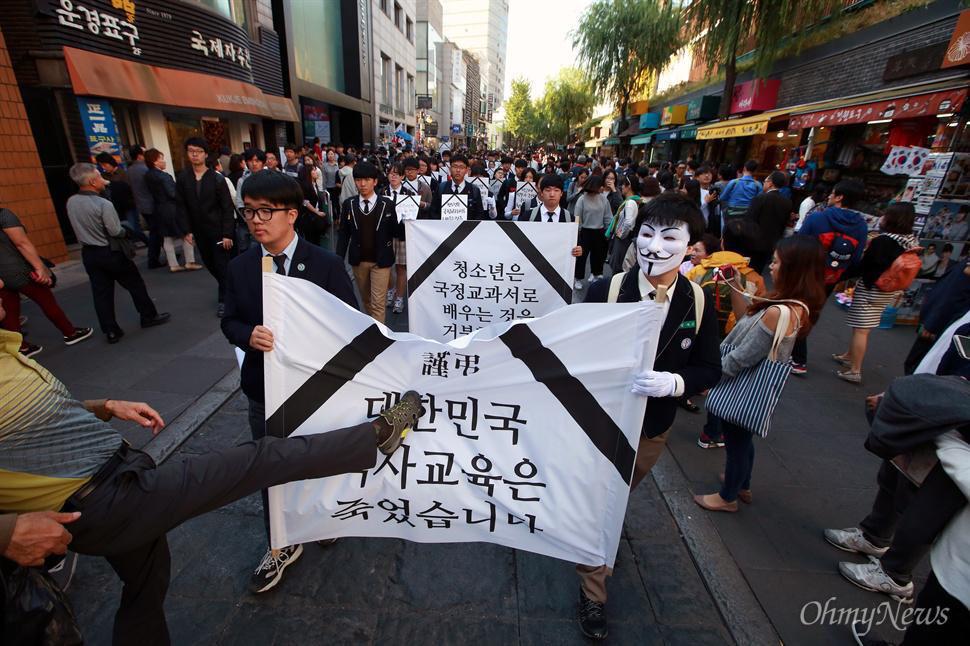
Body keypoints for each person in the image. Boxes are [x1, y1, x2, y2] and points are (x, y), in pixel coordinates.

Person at [0, 287, 422, 643]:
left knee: (146, 585)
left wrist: (106, 406)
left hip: (123, 469)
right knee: (258, 459)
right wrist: (7, 532)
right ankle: (371, 440)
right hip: (99, 502)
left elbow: (41, 412)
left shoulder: (8, 346)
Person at [577, 193, 721, 639]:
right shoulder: (606, 291)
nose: (654, 246)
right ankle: (593, 591)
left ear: (690, 246)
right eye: (646, 234)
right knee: (600, 505)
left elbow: (709, 367)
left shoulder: (698, 302)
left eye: (669, 236)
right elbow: (576, 350)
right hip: (598, 425)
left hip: (652, 431)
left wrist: (674, 384)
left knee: (613, 503)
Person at [221, 170, 360, 593]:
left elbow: (350, 326)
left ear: (292, 215)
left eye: (266, 211)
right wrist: (248, 334)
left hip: (315, 391)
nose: (256, 220)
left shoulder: (326, 265)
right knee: (269, 466)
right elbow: (228, 319)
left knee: (318, 458)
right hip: (264, 390)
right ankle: (281, 543)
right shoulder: (241, 267)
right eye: (248, 212)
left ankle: (321, 519)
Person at [693, 235, 826, 513]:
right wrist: (737, 287)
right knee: (742, 440)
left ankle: (727, 497)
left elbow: (743, 357)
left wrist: (711, 376)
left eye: (777, 262)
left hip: (742, 384)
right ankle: (742, 484)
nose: (772, 267)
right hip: (750, 388)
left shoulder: (780, 311)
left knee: (736, 444)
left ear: (794, 268)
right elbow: (745, 320)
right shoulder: (792, 303)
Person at [66, 163, 170, 343]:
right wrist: (127, 231)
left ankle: (111, 330)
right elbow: (115, 230)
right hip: (110, 250)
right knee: (135, 284)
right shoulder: (102, 203)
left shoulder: (72, 202)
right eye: (99, 176)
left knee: (101, 293)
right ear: (91, 181)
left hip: (89, 253)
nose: (102, 179)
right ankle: (148, 315)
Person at [832, 203, 919, 384]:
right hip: (888, 290)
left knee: (861, 329)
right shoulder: (910, 241)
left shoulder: (884, 241)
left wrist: (840, 277)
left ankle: (855, 370)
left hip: (872, 287)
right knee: (865, 326)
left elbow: (866, 265)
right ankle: (849, 355)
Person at [790, 179, 870, 375]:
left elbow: (797, 244)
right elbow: (857, 257)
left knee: (795, 310)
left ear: (840, 197)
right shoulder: (860, 225)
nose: (829, 196)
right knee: (811, 313)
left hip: (805, 272)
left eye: (833, 193)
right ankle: (795, 353)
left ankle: (798, 358)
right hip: (831, 277)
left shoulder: (818, 218)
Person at [0, 209, 92, 356]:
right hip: (19, 269)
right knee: (46, 300)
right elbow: (22, 243)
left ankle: (21, 347)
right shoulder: (3, 215)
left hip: (1, 276)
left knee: (9, 311)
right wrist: (39, 267)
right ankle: (70, 332)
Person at [175, 137, 235, 317]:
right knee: (210, 264)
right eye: (191, 151)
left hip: (218, 231)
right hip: (199, 231)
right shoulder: (184, 178)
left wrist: (227, 233)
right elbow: (181, 205)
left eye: (198, 151)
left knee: (222, 265)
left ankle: (224, 300)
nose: (195, 154)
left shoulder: (217, 179)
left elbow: (227, 208)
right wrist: (185, 230)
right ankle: (231, 288)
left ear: (205, 154)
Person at [337, 162, 399, 323]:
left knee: (378, 303)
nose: (362, 184)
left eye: (366, 179)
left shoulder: (387, 204)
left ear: (375, 181)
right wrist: (338, 259)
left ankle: (378, 339)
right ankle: (373, 328)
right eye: (358, 180)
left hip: (381, 261)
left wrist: (406, 221)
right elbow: (343, 234)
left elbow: (396, 232)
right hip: (359, 260)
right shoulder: (349, 204)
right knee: (366, 301)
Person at [903, 258, 970, 374]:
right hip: (938, 320)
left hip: (942, 323)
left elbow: (953, 294)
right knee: (917, 362)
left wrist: (932, 323)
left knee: (920, 363)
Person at [143, 149, 201, 274]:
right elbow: (173, 193)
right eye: (161, 158)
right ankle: (189, 261)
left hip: (159, 209)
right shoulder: (164, 176)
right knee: (187, 232)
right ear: (155, 161)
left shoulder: (148, 176)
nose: (164, 161)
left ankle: (173, 264)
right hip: (172, 209)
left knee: (167, 238)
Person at [382, 163, 418, 314]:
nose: (393, 176)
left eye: (397, 174)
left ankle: (399, 298)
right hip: (385, 234)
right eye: (391, 173)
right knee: (386, 267)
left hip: (403, 235)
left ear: (403, 176)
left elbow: (414, 216)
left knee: (401, 268)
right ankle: (390, 290)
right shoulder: (381, 192)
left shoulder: (409, 193)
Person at [742, 170, 794, 273]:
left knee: (747, 270)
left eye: (765, 181)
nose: (764, 184)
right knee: (758, 270)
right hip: (771, 243)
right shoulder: (787, 202)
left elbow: (749, 220)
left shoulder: (760, 198)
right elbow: (783, 225)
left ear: (770, 183)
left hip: (753, 242)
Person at [95, 152, 148, 247]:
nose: (104, 167)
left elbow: (131, 189)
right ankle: (130, 246)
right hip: (115, 207)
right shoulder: (103, 176)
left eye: (105, 164)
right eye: (101, 165)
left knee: (133, 227)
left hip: (128, 205)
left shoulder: (123, 173)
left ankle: (149, 242)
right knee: (122, 228)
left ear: (110, 162)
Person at [125, 145, 164, 268]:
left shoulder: (130, 170)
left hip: (141, 205)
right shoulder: (146, 170)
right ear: (139, 155)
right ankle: (153, 259)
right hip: (152, 205)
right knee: (156, 233)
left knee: (156, 232)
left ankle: (165, 255)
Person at [572, 175, 612, 290]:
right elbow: (577, 216)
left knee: (598, 256)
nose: (602, 188)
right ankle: (578, 278)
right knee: (581, 257)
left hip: (599, 231)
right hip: (585, 231)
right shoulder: (582, 199)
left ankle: (595, 275)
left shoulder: (603, 199)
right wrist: (577, 230)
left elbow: (608, 216)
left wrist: (608, 230)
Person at [429, 154, 486, 220]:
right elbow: (433, 211)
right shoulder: (441, 187)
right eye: (455, 166)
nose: (458, 170)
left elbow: (479, 214)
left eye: (461, 167)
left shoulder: (474, 190)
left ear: (466, 170)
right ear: (450, 169)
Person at [607, 175, 641, 274]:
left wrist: (621, 234)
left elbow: (628, 222)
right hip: (625, 239)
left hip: (623, 240)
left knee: (618, 266)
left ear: (629, 186)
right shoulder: (634, 200)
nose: (621, 187)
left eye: (623, 185)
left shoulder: (630, 202)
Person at [295, 153, 329, 246]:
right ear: (308, 173)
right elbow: (305, 202)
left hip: (314, 215)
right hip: (308, 217)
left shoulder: (315, 184)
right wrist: (317, 212)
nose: (316, 172)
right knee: (311, 240)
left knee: (316, 239)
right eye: (313, 171)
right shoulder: (305, 186)